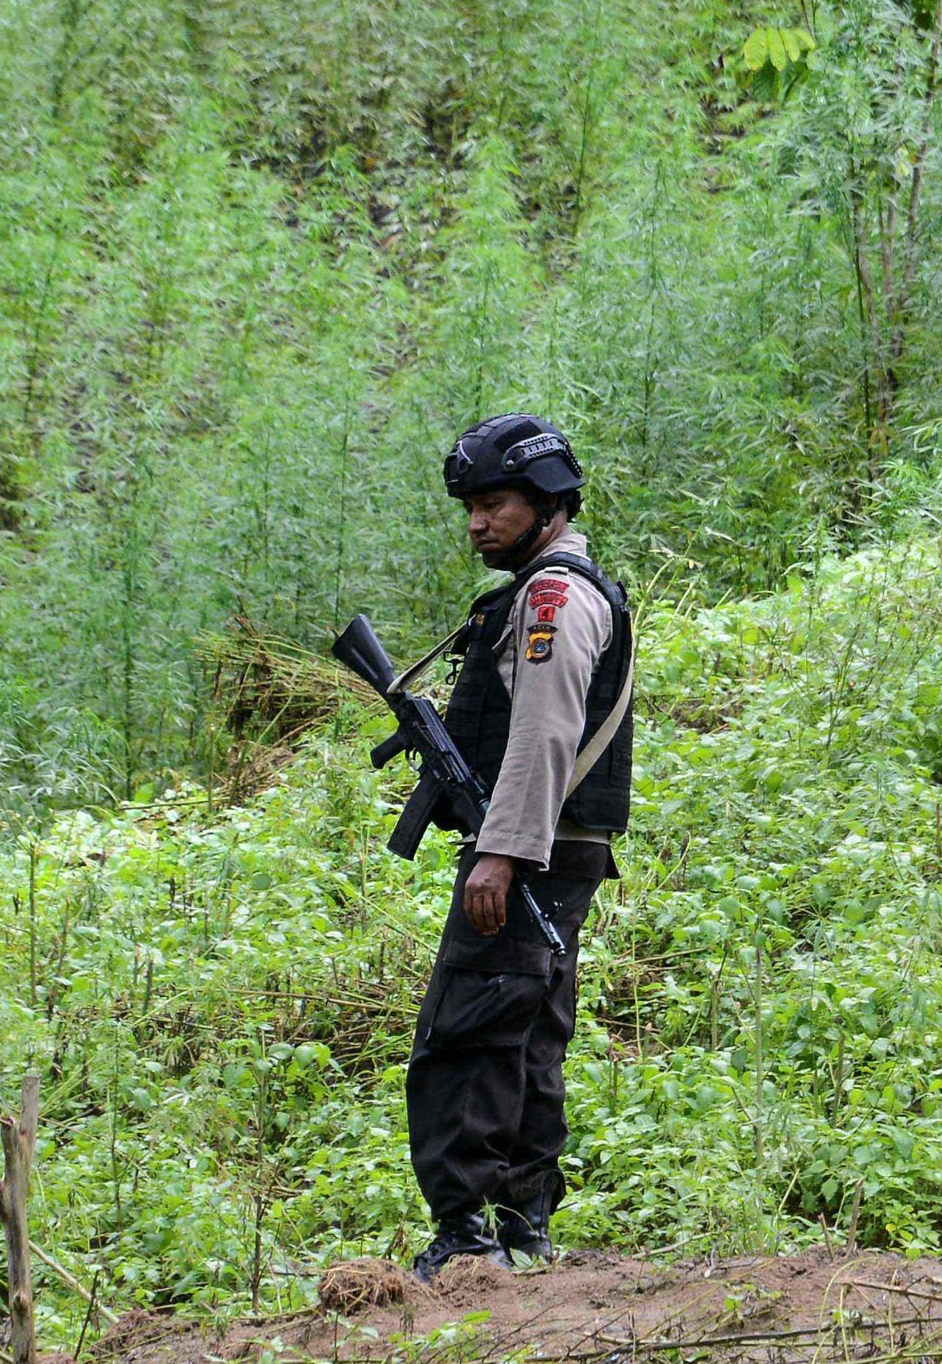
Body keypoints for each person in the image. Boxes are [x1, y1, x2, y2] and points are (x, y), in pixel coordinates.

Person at [406, 412, 636, 1281]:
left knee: (468, 1033)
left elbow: (544, 733)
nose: (476, 523)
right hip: (558, 847)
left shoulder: (552, 598)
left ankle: (467, 1237)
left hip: (532, 849)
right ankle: (521, 1228)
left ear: (546, 502)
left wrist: (500, 853)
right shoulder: (553, 588)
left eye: (493, 504)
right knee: (526, 1033)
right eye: (470, 507)